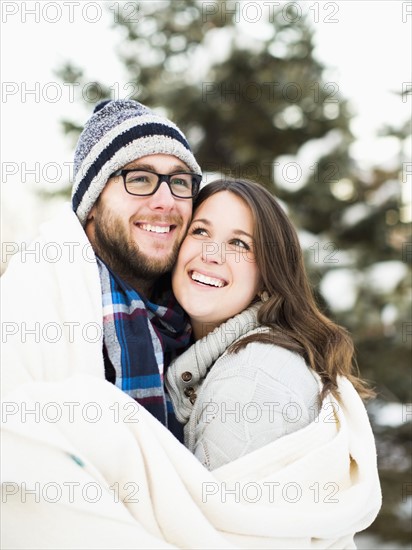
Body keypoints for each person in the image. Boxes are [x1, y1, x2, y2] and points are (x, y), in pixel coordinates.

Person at [1, 98, 202, 436]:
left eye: (180, 182)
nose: (166, 200)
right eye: (139, 179)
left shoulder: (201, 307)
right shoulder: (26, 307)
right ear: (91, 204)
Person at [165, 179, 381, 472]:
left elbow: (213, 515)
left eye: (239, 243)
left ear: (268, 274)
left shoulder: (254, 375)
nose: (211, 254)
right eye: (201, 231)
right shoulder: (191, 352)